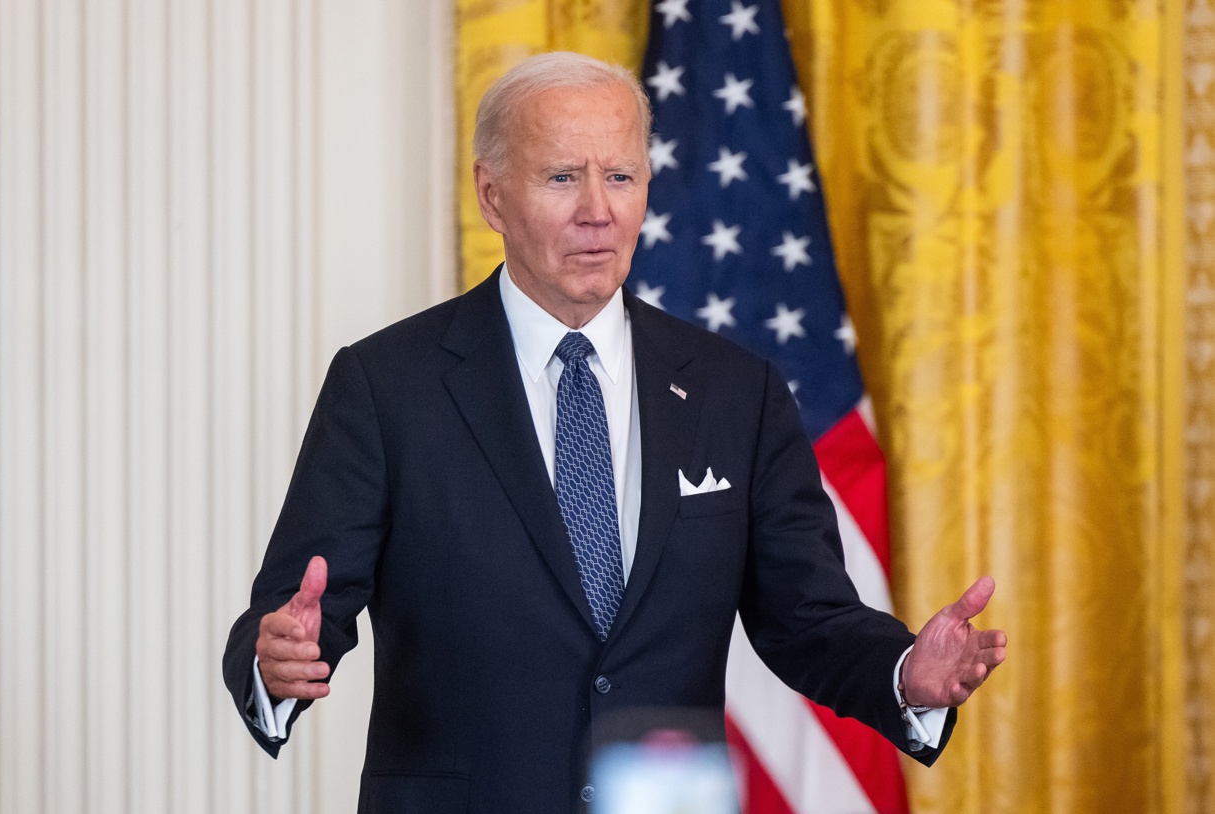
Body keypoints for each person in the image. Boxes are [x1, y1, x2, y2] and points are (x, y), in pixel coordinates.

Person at [223, 51, 1006, 813]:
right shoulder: (385, 385)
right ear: (491, 196)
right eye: (563, 177)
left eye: (620, 176)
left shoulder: (737, 391)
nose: (598, 209)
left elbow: (809, 618)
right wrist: (278, 657)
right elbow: (299, 609)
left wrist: (905, 673)